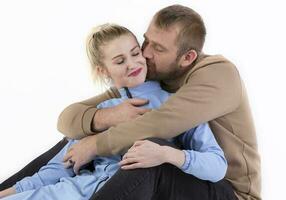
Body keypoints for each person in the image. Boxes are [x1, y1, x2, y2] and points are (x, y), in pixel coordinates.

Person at [0, 4, 261, 200]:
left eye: (158, 48)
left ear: (187, 57)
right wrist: (105, 119)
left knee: (147, 151)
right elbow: (71, 119)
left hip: (226, 191)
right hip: (177, 178)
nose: (145, 54)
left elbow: (161, 123)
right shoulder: (149, 79)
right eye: (146, 41)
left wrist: (96, 145)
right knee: (89, 131)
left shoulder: (217, 74)